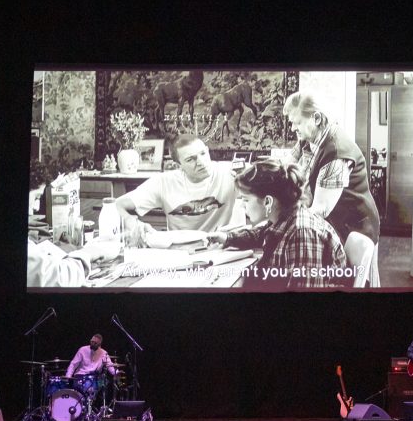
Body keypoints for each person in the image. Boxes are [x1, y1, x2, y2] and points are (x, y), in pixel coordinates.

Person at [209, 159, 347, 289]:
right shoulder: (284, 217)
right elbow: (260, 234)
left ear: (268, 202)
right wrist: (227, 238)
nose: (242, 206)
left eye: (245, 200)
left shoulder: (302, 233)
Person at [283, 91, 381, 248]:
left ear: (317, 118)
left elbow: (320, 210)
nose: (293, 128)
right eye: (291, 122)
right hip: (335, 223)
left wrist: (284, 224)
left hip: (354, 230)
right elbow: (284, 167)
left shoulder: (336, 152)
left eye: (298, 123)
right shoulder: (308, 137)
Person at [114, 134, 241, 243]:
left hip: (223, 248)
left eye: (203, 153)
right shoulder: (164, 182)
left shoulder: (230, 172)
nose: (201, 162)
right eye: (191, 159)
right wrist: (131, 221)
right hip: (181, 251)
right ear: (178, 165)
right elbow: (116, 205)